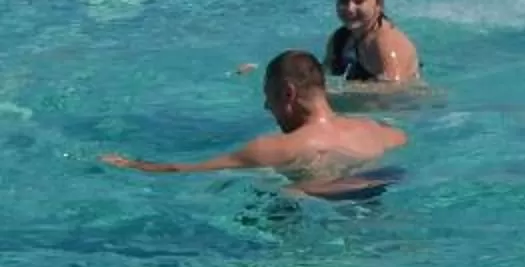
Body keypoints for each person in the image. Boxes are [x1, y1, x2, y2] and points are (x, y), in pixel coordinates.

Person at [102, 51, 407, 199]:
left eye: (268, 97)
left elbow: (187, 170)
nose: (266, 108)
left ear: (287, 94)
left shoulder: (274, 148)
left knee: (283, 194)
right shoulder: (380, 132)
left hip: (321, 224)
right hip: (374, 205)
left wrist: (132, 165)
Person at [324, 0, 422, 84]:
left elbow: (395, 89)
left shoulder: (386, 45)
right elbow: (324, 75)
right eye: (344, 2)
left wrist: (343, 89)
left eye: (359, 2)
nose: (350, 9)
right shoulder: (339, 39)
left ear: (379, 4)